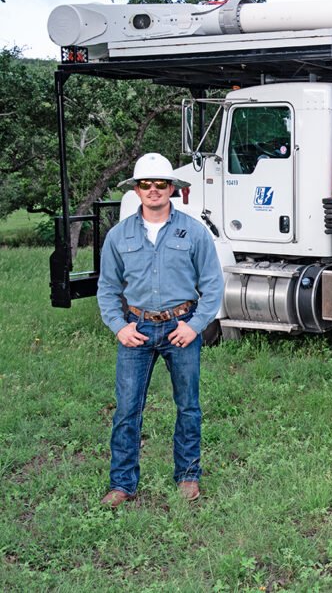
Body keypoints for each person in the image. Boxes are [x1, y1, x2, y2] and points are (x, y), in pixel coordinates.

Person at [97, 153, 224, 507]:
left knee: (188, 406)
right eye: (145, 184)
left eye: (160, 184)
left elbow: (212, 285)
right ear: (136, 190)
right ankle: (122, 483)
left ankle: (187, 476)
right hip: (135, 330)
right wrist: (120, 327)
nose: (153, 190)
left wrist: (195, 326)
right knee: (126, 409)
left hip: (179, 329)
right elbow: (107, 288)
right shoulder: (118, 236)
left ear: (172, 188)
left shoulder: (193, 231)